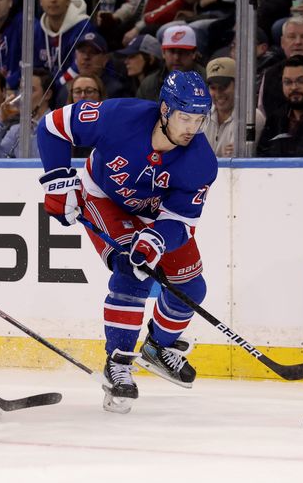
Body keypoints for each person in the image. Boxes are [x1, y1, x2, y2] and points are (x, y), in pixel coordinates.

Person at [36, 70, 216, 414]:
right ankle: (118, 362)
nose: (192, 128)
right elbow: (52, 126)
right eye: (185, 117)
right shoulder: (119, 117)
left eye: (199, 119)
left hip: (156, 216)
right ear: (164, 110)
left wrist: (156, 240)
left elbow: (181, 222)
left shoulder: (201, 161)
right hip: (104, 197)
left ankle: (158, 348)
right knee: (132, 272)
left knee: (192, 287)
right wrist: (58, 182)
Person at [0, 68, 54, 158]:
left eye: (31, 90)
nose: (23, 96)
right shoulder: (17, 130)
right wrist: (1, 122)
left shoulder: (57, 126)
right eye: (21, 90)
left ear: (47, 95)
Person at [34, 0, 94, 79]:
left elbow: (80, 67)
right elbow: (34, 67)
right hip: (47, 88)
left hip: (76, 83)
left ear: (68, 0)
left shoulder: (84, 27)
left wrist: (56, 86)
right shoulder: (37, 29)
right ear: (40, 1)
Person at [136, 24, 205, 101]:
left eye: (183, 52)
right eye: (172, 51)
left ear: (194, 54)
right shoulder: (149, 84)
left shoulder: (207, 82)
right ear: (163, 53)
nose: (176, 58)